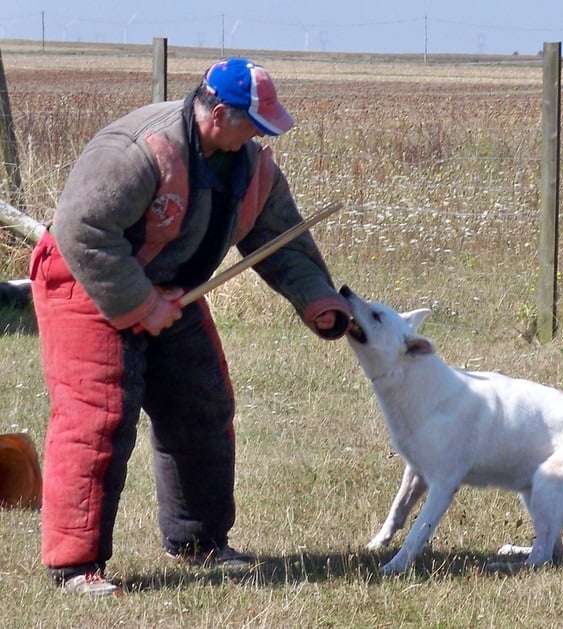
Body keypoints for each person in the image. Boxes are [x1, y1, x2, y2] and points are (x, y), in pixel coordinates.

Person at [29, 57, 352, 597]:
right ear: (219, 113)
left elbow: (282, 238)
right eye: (255, 120)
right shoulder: (137, 152)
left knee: (202, 404)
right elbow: (83, 230)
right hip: (87, 280)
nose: (263, 133)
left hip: (172, 291)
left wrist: (315, 297)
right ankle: (74, 566)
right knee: (99, 417)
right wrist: (140, 303)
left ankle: (200, 542)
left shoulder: (251, 166)